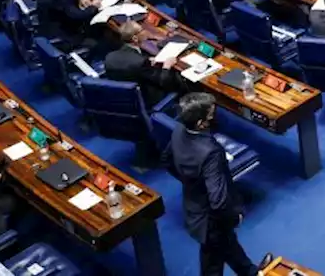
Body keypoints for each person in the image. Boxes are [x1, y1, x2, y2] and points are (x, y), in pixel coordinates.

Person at [163, 93, 273, 276]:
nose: (215, 116)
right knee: (214, 260)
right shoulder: (210, 152)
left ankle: (251, 273)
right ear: (201, 123)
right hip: (211, 221)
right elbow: (218, 201)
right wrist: (234, 216)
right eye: (211, 114)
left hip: (194, 207)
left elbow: (167, 160)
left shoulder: (178, 130)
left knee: (226, 247)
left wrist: (190, 181)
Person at [104, 20, 185, 105]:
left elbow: (132, 64)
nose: (145, 31)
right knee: (177, 78)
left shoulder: (110, 56)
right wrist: (167, 66)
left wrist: (146, 60)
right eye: (142, 30)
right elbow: (163, 82)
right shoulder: (140, 62)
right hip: (147, 98)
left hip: (124, 97)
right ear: (135, 38)